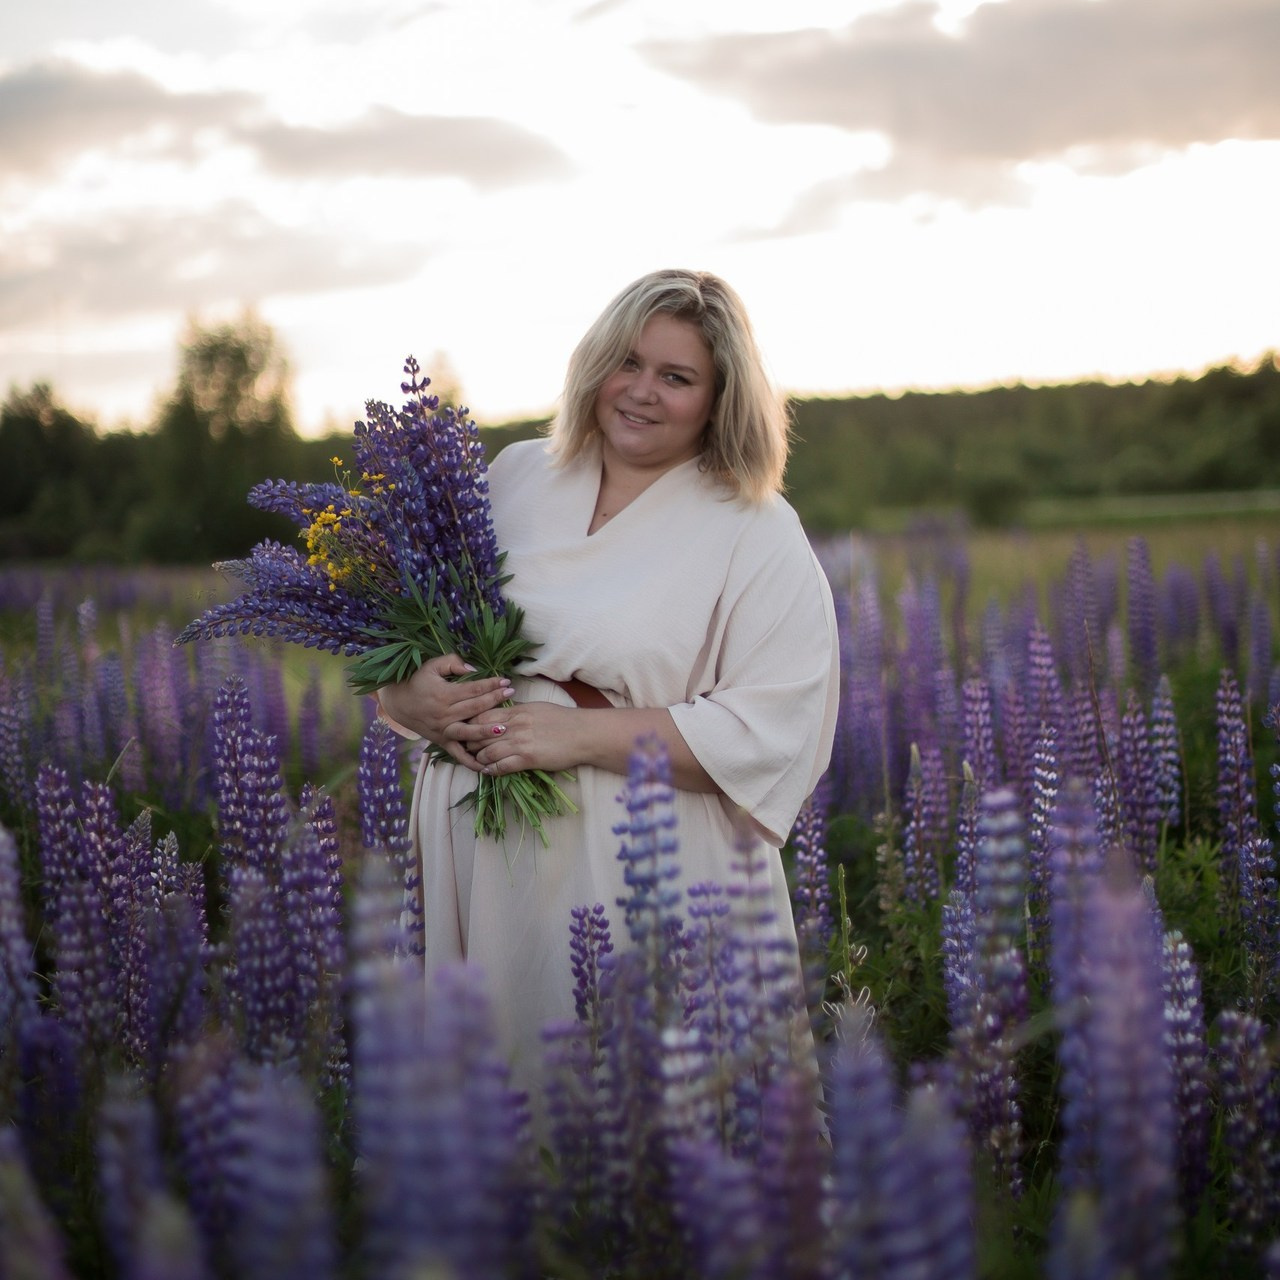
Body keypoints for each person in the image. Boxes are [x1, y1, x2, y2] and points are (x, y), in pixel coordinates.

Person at [377, 268, 840, 1088]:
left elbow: (773, 730)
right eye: (628, 362)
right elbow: (409, 630)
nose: (641, 391)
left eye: (677, 377)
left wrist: (578, 735)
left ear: (720, 399)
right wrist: (407, 697)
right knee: (486, 1103)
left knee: (632, 1103)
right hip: (475, 851)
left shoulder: (755, 527)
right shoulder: (515, 477)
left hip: (641, 864)